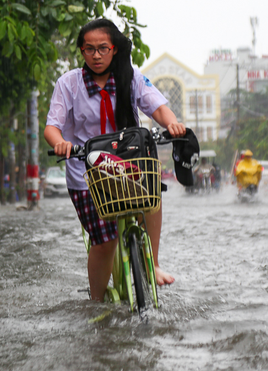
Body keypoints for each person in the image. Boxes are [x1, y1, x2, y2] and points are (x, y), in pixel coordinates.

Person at [44, 18, 186, 301]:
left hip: (127, 165)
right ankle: (95, 302)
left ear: (114, 50)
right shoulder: (68, 84)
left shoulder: (130, 77)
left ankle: (154, 264)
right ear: (82, 51)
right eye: (89, 49)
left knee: (152, 195)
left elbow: (158, 108)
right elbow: (52, 126)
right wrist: (60, 143)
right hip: (86, 174)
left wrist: (173, 125)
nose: (96, 55)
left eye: (103, 48)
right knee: (105, 242)